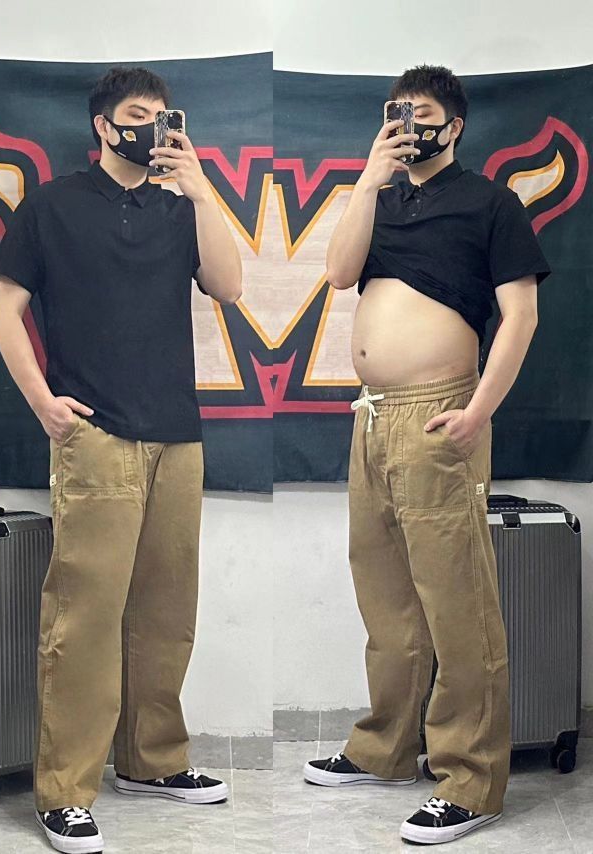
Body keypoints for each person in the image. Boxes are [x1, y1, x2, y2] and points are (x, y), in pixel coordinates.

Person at [0, 66, 242, 854]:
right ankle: (64, 792)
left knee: (166, 613)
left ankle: (151, 761)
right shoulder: (52, 205)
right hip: (94, 436)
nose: (151, 128)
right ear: (103, 125)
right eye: (137, 115)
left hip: (178, 435)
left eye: (163, 117)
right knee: (84, 619)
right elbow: (3, 308)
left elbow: (230, 285)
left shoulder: (179, 208)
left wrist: (201, 189)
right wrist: (42, 402)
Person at [303, 64, 550, 846]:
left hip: (441, 414)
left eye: (423, 113)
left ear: (455, 126)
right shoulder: (380, 198)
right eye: (398, 113)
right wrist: (368, 178)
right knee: (386, 600)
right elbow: (339, 273)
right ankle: (385, 750)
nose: (409, 125)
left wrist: (479, 412)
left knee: (456, 603)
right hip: (371, 417)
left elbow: (520, 315)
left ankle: (472, 781)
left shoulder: (490, 202)